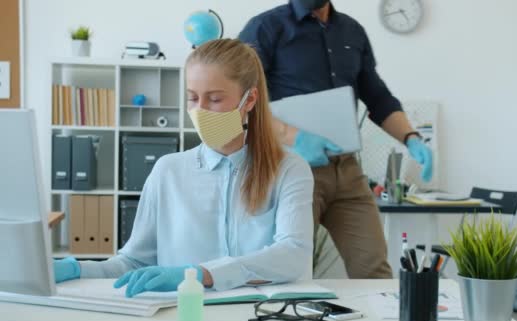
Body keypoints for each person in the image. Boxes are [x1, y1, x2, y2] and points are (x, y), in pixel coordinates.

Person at [52, 38, 314, 297]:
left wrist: (202, 274)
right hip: (185, 319)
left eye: (214, 99)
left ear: (249, 99)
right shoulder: (167, 171)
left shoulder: (289, 170)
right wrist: (78, 269)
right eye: (192, 98)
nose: (200, 111)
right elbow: (134, 264)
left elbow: (293, 254)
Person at [239, 0, 433, 279]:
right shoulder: (265, 28)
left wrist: (411, 138)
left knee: (374, 270)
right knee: (287, 272)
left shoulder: (352, 31)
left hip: (347, 171)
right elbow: (243, 100)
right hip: (289, 168)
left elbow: (378, 97)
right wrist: (294, 137)